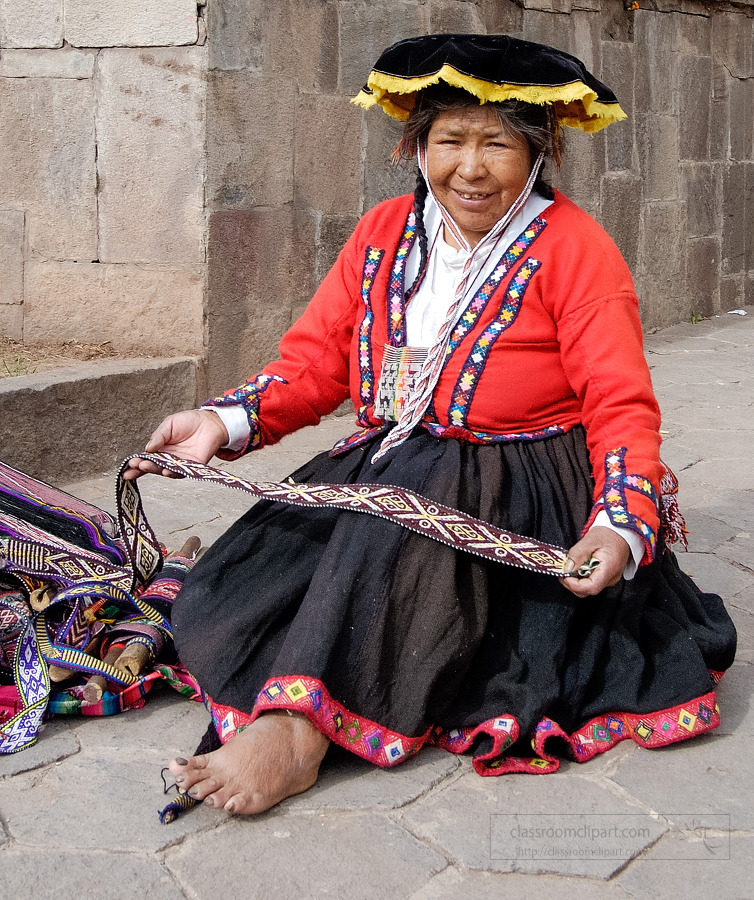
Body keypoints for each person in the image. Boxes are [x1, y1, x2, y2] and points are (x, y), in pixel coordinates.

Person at [125, 34, 736, 816]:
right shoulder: (384, 232)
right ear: (417, 145)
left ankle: (297, 732)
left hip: (522, 484)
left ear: (541, 152)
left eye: (499, 145)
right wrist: (220, 422)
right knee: (237, 583)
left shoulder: (577, 250)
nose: (470, 169)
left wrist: (618, 527)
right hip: (391, 460)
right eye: (450, 141)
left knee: (407, 516)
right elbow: (317, 364)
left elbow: (619, 403)